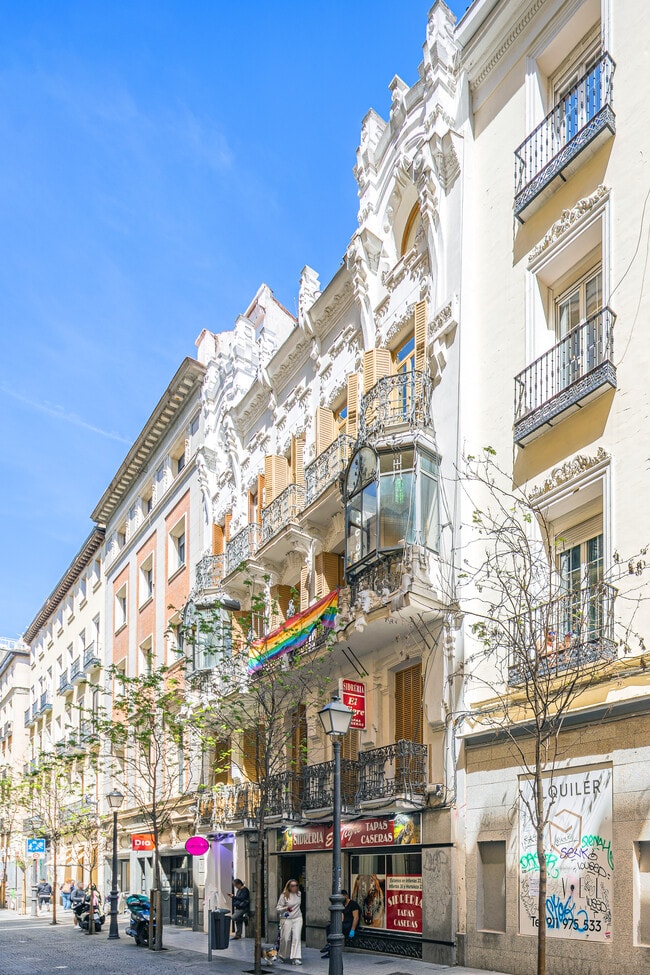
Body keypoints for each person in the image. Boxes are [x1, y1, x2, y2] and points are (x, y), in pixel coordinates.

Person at [320, 890, 361, 958]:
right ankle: (330, 945)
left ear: (346, 896)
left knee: (335, 929)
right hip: (344, 923)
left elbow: (356, 917)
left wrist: (352, 930)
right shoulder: (342, 904)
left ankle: (329, 946)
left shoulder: (353, 904)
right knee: (329, 927)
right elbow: (342, 917)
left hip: (350, 924)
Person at [276, 879, 303, 965]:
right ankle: (282, 955)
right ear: (288, 887)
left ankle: (296, 958)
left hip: (298, 918)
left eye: (296, 885)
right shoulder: (284, 896)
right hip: (286, 919)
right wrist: (285, 908)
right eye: (292, 886)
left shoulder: (299, 894)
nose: (295, 887)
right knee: (286, 938)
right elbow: (278, 908)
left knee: (296, 937)